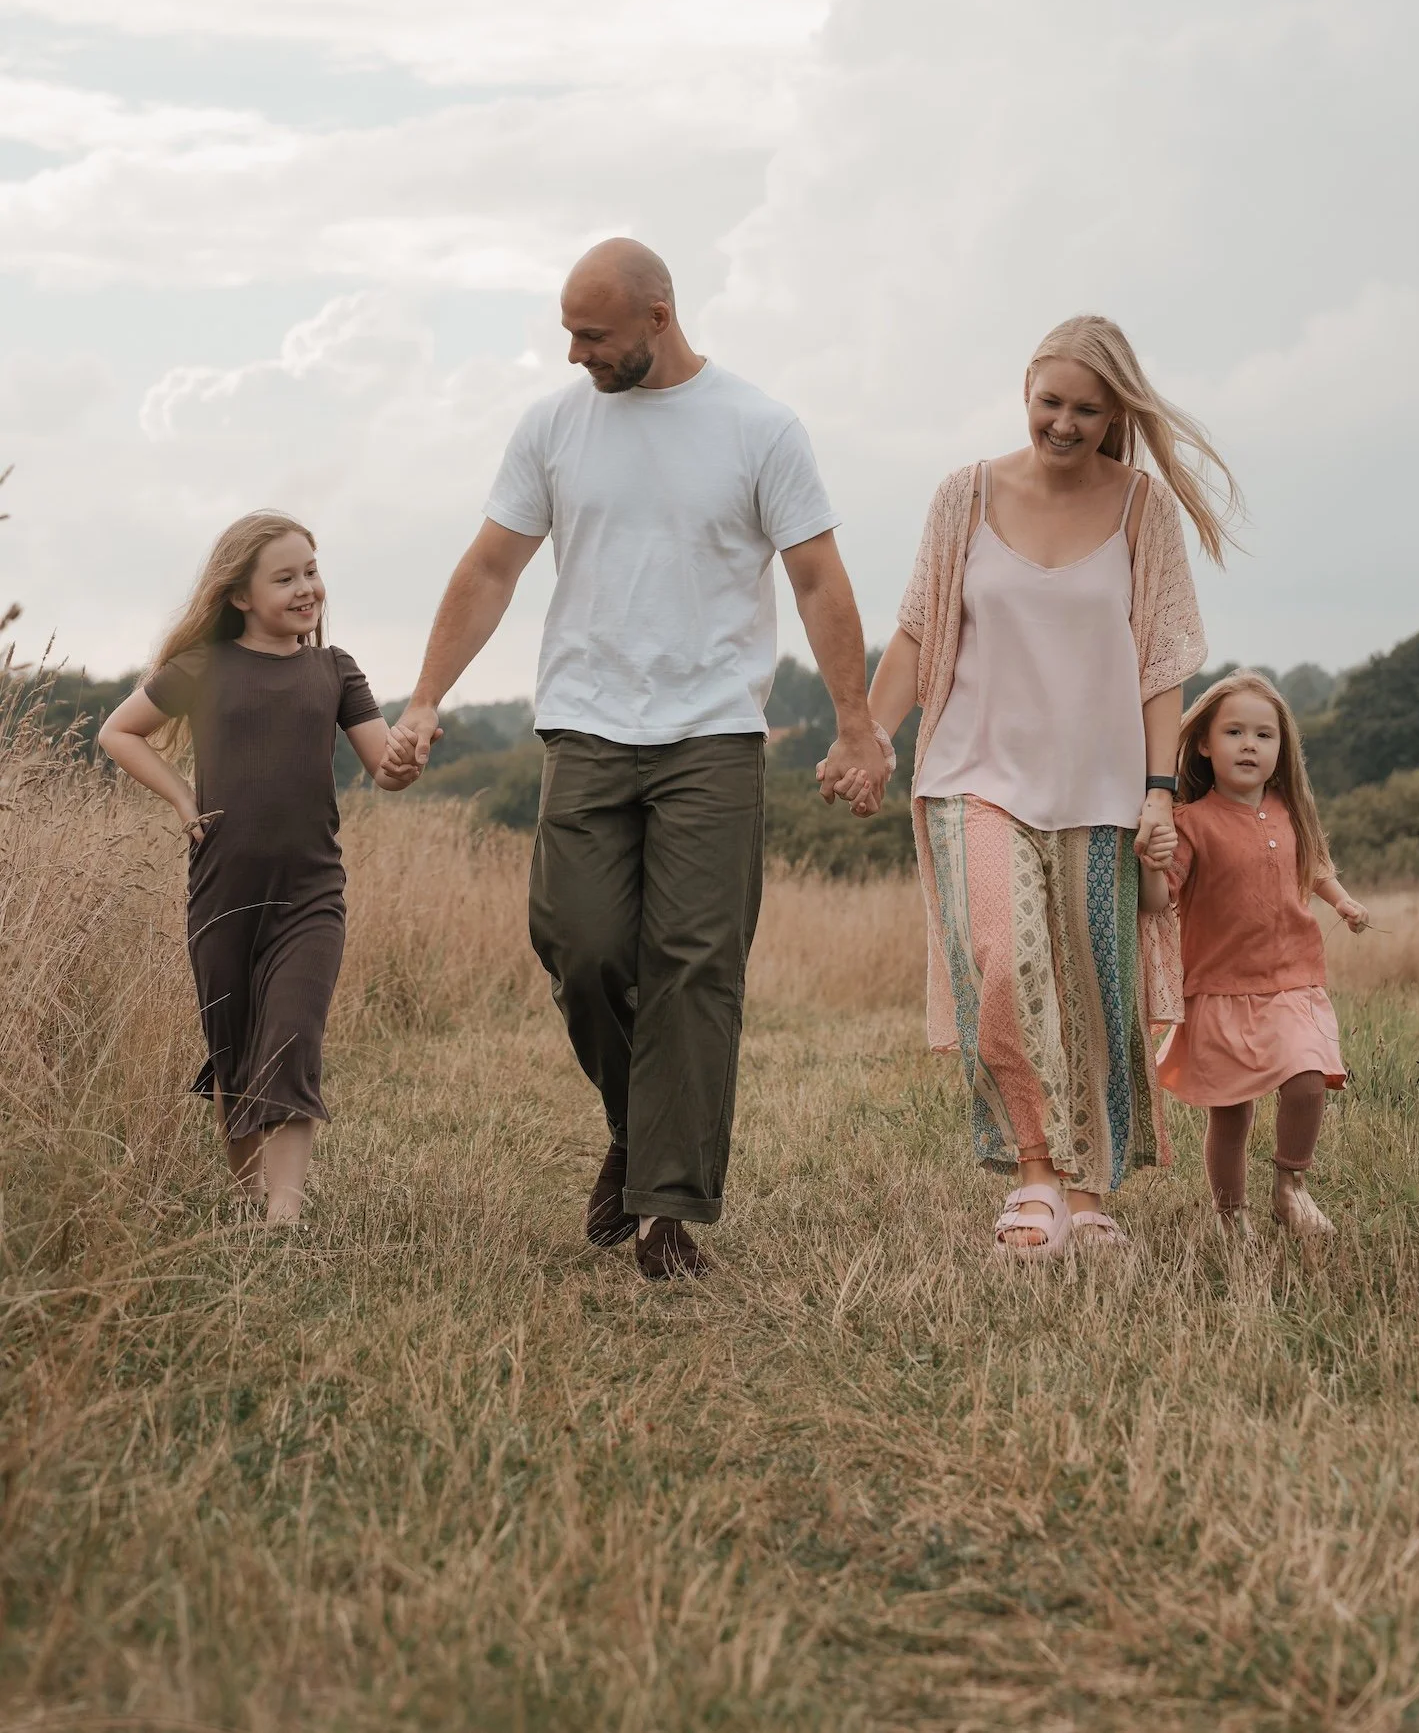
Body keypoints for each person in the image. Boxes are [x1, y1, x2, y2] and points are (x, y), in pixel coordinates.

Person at [384, 238, 889, 1280]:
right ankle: (640, 1126)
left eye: (593, 334)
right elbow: (489, 569)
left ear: (660, 316)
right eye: (569, 331)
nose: (575, 353)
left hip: (712, 731)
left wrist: (854, 722)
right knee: (582, 944)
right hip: (587, 722)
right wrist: (427, 696)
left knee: (696, 969)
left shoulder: (759, 426)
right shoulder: (553, 427)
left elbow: (819, 579)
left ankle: (669, 1213)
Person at [836, 315, 1237, 1256]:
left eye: (1086, 411)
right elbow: (920, 632)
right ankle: (1032, 1173)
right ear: (1026, 390)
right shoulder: (964, 496)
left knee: (1096, 987)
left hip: (1099, 788)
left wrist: (1156, 791)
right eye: (1050, 402)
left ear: (1115, 415)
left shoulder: (1143, 510)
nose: (1063, 423)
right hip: (971, 770)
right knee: (1003, 958)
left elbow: (1161, 666)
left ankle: (1091, 1189)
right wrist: (870, 739)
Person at [99, 514, 411, 1225]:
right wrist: (183, 799)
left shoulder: (335, 671)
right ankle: (246, 1205)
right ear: (240, 594)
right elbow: (118, 732)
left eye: (311, 571)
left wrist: (406, 759)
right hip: (223, 895)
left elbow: (383, 768)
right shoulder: (202, 669)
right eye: (287, 577)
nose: (308, 588)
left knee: (293, 1036)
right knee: (234, 1049)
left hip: (311, 894)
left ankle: (284, 1214)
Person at [1141, 671, 1368, 1240]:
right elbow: (1159, 900)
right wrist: (1147, 860)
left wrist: (1342, 902)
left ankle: (1290, 1186)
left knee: (1309, 1080)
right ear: (1203, 744)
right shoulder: (1189, 823)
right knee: (1232, 1110)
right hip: (1220, 987)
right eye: (1234, 731)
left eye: (1264, 735)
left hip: (1294, 980)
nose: (1249, 744)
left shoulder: (1291, 811)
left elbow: (1311, 864)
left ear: (1280, 749)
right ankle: (1230, 1213)